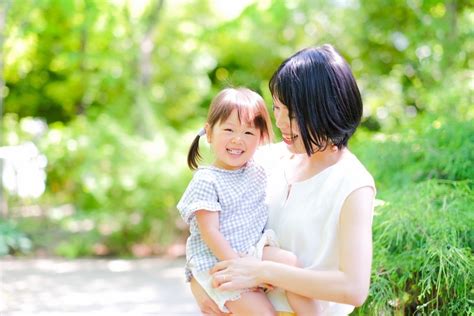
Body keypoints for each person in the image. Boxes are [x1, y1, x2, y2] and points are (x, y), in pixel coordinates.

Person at [190, 44, 376, 315]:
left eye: (291, 113)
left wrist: (263, 272)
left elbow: (354, 288)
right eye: (276, 108)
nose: (279, 122)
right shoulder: (264, 159)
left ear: (325, 110)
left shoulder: (352, 184)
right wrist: (196, 279)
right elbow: (208, 217)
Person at [177, 87, 321, 315]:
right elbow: (209, 233)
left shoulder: (257, 167)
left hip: (252, 250)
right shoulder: (207, 180)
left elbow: (296, 149)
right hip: (221, 263)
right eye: (229, 129)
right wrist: (243, 270)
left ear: (261, 138)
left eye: (248, 133)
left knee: (291, 265)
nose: (237, 140)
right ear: (209, 133)